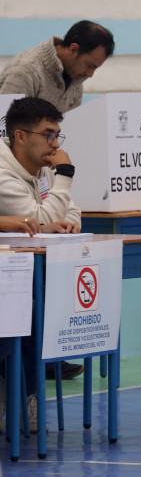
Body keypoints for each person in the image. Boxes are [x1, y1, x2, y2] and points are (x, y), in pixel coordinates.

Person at [0, 97, 84, 432]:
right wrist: (65, 172)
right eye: (48, 134)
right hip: (7, 275)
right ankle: (24, 393)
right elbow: (41, 219)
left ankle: (23, 391)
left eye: (58, 135)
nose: (54, 144)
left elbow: (71, 212)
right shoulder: (3, 172)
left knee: (48, 308)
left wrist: (63, 220)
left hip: (31, 268)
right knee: (32, 312)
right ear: (21, 136)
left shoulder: (42, 171)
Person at [0, 20, 115, 113]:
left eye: (96, 68)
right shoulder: (25, 70)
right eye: (90, 65)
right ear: (73, 49)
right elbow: (5, 131)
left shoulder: (76, 78)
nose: (90, 74)